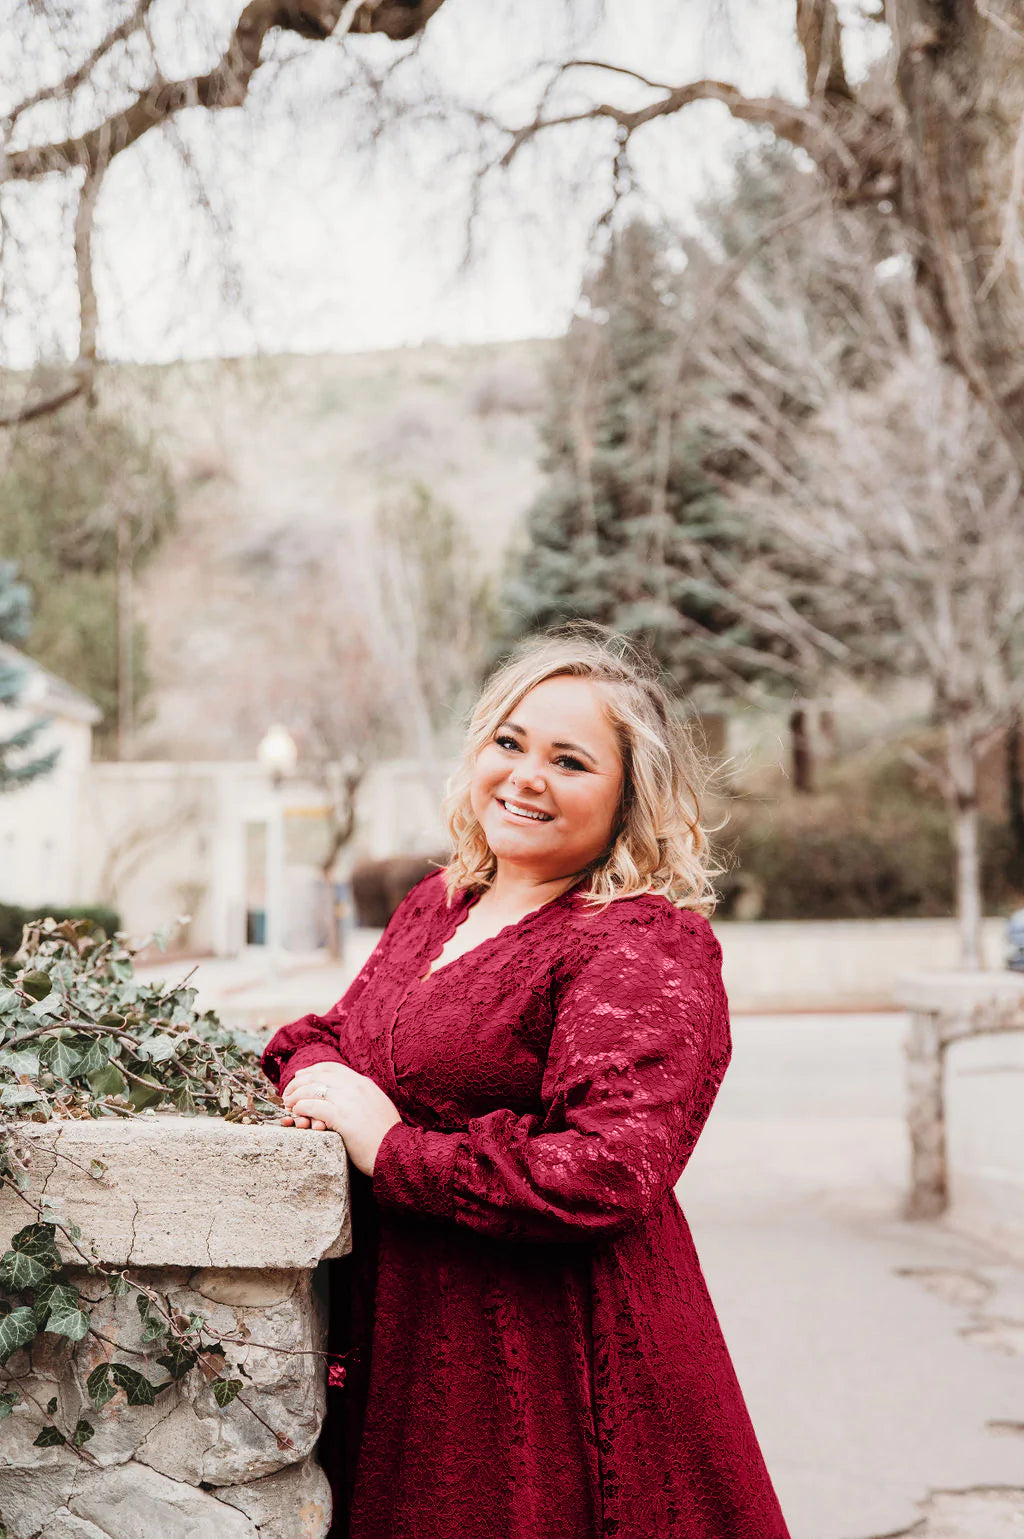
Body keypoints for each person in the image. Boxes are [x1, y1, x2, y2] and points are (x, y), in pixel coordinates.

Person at [260, 625, 792, 1539]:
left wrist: (393, 1150)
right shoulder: (440, 904)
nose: (526, 775)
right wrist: (324, 1085)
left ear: (631, 795)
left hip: (561, 1367)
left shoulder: (639, 941)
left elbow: (608, 1169)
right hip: (417, 1346)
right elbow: (320, 1040)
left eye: (571, 760)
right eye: (509, 742)